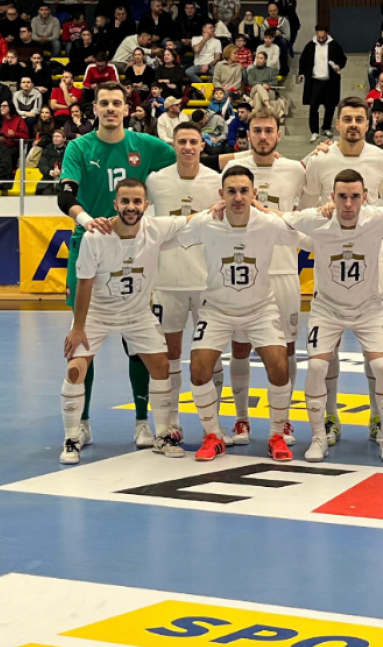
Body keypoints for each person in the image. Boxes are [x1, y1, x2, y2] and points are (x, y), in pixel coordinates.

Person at [276, 172, 383, 462]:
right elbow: (280, 218)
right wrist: (251, 205)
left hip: (369, 309)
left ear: (364, 197)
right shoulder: (316, 219)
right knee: (315, 369)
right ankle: (318, 438)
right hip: (327, 309)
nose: (348, 203)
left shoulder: (376, 218)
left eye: (354, 196)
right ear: (332, 198)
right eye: (342, 197)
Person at [58, 81, 178, 450]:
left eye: (117, 103)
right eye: (104, 103)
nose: (111, 109)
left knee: (138, 344)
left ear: (127, 109)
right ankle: (82, 423)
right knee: (84, 343)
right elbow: (65, 194)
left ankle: (144, 423)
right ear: (94, 109)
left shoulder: (144, 145)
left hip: (133, 246)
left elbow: (187, 161)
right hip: (91, 245)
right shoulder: (80, 147)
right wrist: (86, 220)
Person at [58, 178, 199, 464]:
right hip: (98, 313)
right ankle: (72, 437)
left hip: (137, 314)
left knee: (161, 366)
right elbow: (84, 284)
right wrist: (78, 328)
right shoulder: (95, 237)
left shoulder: (155, 228)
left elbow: (191, 220)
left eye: (137, 201)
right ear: (115, 204)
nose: (131, 207)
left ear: (146, 205)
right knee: (75, 369)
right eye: (125, 201)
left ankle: (162, 434)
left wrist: (219, 207)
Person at [177, 165, 301, 462]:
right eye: (231, 191)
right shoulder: (207, 221)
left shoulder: (268, 223)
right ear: (221, 194)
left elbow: (305, 233)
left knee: (279, 365)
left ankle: (276, 434)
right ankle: (213, 435)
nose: (238, 197)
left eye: (244, 191)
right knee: (199, 367)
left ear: (254, 193)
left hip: (260, 308)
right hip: (217, 309)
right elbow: (170, 232)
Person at [301, 97, 383, 443]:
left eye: (359, 119)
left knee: (375, 353)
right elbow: (306, 201)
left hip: (369, 266)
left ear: (369, 124)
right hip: (329, 261)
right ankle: (330, 417)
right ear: (337, 124)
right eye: (347, 119)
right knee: (327, 350)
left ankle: (375, 417)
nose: (353, 124)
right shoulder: (319, 159)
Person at [221, 110, 308, 445]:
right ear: (248, 133)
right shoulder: (234, 168)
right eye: (256, 130)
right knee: (240, 346)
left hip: (285, 270)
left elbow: (306, 213)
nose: (262, 136)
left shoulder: (295, 170)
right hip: (244, 270)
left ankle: (283, 422)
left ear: (278, 135)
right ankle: (242, 420)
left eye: (268, 130)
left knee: (285, 349)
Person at [144, 123, 225, 443]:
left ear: (203, 145)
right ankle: (171, 421)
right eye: (182, 142)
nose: (188, 147)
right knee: (170, 353)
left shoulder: (217, 181)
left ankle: (213, 425)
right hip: (168, 281)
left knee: (210, 355)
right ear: (173, 145)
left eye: (194, 141)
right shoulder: (156, 180)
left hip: (207, 281)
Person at [298, 25, 346, 143]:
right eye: (319, 36)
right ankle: (314, 131)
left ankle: (326, 127)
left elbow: (343, 59)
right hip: (315, 80)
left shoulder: (334, 45)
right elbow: (303, 60)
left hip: (330, 81)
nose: (320, 38)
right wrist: (301, 73)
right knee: (313, 106)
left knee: (330, 106)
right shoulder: (310, 46)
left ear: (327, 34)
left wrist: (339, 66)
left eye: (323, 36)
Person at [36, 128, 66, 194]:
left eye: (58, 136)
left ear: (64, 139)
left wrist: (61, 172)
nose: (55, 138)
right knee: (45, 192)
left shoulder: (69, 151)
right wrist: (50, 171)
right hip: (48, 179)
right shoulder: (47, 150)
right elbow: (42, 164)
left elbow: (71, 165)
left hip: (64, 179)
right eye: (54, 137)